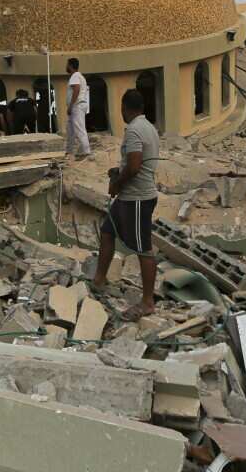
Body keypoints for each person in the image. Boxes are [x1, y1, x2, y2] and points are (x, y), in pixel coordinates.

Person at [91, 89, 159, 320]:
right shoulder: (148, 127)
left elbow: (135, 166)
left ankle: (148, 302)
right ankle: (99, 280)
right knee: (107, 231)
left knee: (143, 248)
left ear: (125, 108)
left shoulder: (133, 130)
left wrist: (117, 183)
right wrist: (118, 173)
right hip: (128, 196)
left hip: (137, 197)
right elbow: (133, 163)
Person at [65, 58, 91, 159]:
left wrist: (71, 105)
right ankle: (69, 151)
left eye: (67, 64)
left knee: (79, 128)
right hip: (78, 105)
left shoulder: (75, 76)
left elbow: (76, 89)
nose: (66, 67)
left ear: (71, 65)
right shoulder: (80, 76)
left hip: (76, 106)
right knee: (70, 129)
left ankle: (86, 151)